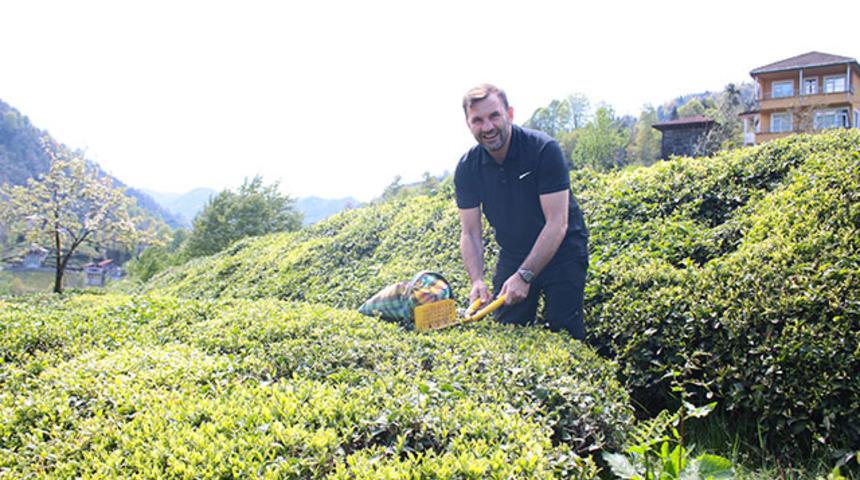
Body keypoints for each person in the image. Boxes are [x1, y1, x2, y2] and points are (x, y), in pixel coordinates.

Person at [454, 84, 589, 339]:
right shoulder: (467, 168)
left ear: (510, 114)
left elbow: (557, 223)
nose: (488, 127)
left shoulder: (543, 150)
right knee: (506, 332)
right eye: (478, 120)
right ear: (469, 124)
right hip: (514, 253)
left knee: (564, 332)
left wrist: (525, 276)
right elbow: (470, 232)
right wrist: (477, 281)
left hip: (563, 250)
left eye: (494, 115)